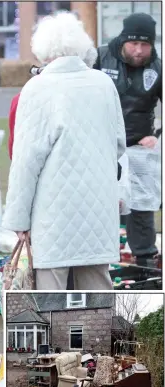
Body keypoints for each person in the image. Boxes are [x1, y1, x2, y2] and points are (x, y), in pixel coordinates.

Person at [2, 11, 126, 290]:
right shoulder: (104, 83)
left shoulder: (37, 88)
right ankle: (102, 336)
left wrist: (18, 220)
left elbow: (25, 162)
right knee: (97, 294)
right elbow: (119, 144)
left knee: (52, 298)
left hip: (53, 212)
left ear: (44, 51)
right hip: (98, 208)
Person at [93, 13, 162, 268]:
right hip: (101, 144)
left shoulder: (158, 67)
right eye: (134, 43)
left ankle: (144, 259)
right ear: (123, 39)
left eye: (145, 45)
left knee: (141, 204)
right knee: (103, 201)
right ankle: (101, 257)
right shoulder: (100, 57)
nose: (139, 50)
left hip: (137, 146)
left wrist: (157, 135)